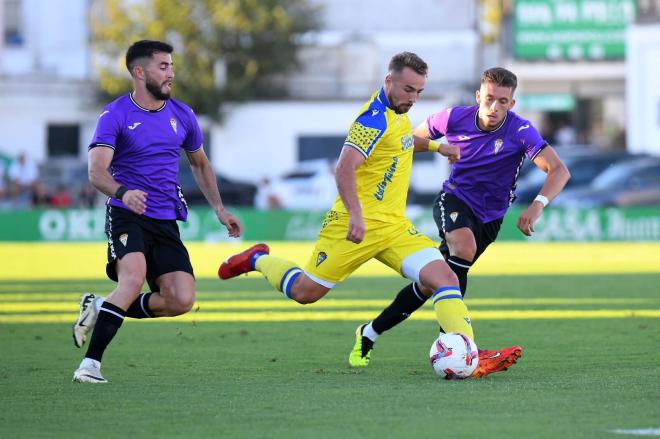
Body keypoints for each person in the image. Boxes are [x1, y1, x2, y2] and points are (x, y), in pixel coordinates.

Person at [219, 53, 516, 378]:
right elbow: (345, 166)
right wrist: (357, 215)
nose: (413, 98)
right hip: (351, 227)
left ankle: (469, 353)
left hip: (394, 228)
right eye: (407, 89)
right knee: (305, 292)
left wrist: (435, 147)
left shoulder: (398, 113)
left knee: (445, 279)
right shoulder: (371, 119)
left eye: (418, 91)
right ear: (388, 81)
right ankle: (257, 259)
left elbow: (401, 142)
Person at [349, 67, 571, 367]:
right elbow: (407, 141)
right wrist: (435, 147)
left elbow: (559, 170)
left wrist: (537, 205)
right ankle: (455, 346)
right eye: (490, 99)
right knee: (462, 249)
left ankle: (370, 332)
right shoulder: (452, 118)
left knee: (433, 283)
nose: (495, 107)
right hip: (454, 199)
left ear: (512, 104)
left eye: (503, 101)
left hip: (490, 218)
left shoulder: (520, 131)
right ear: (479, 96)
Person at [71, 40, 243, 383]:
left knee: (181, 300)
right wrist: (124, 192)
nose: (171, 73)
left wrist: (220, 209)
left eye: (171, 66)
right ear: (140, 72)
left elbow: (200, 164)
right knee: (132, 281)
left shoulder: (183, 115)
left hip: (165, 218)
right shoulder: (115, 114)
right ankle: (90, 365)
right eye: (163, 66)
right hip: (125, 213)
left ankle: (100, 306)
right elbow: (96, 171)